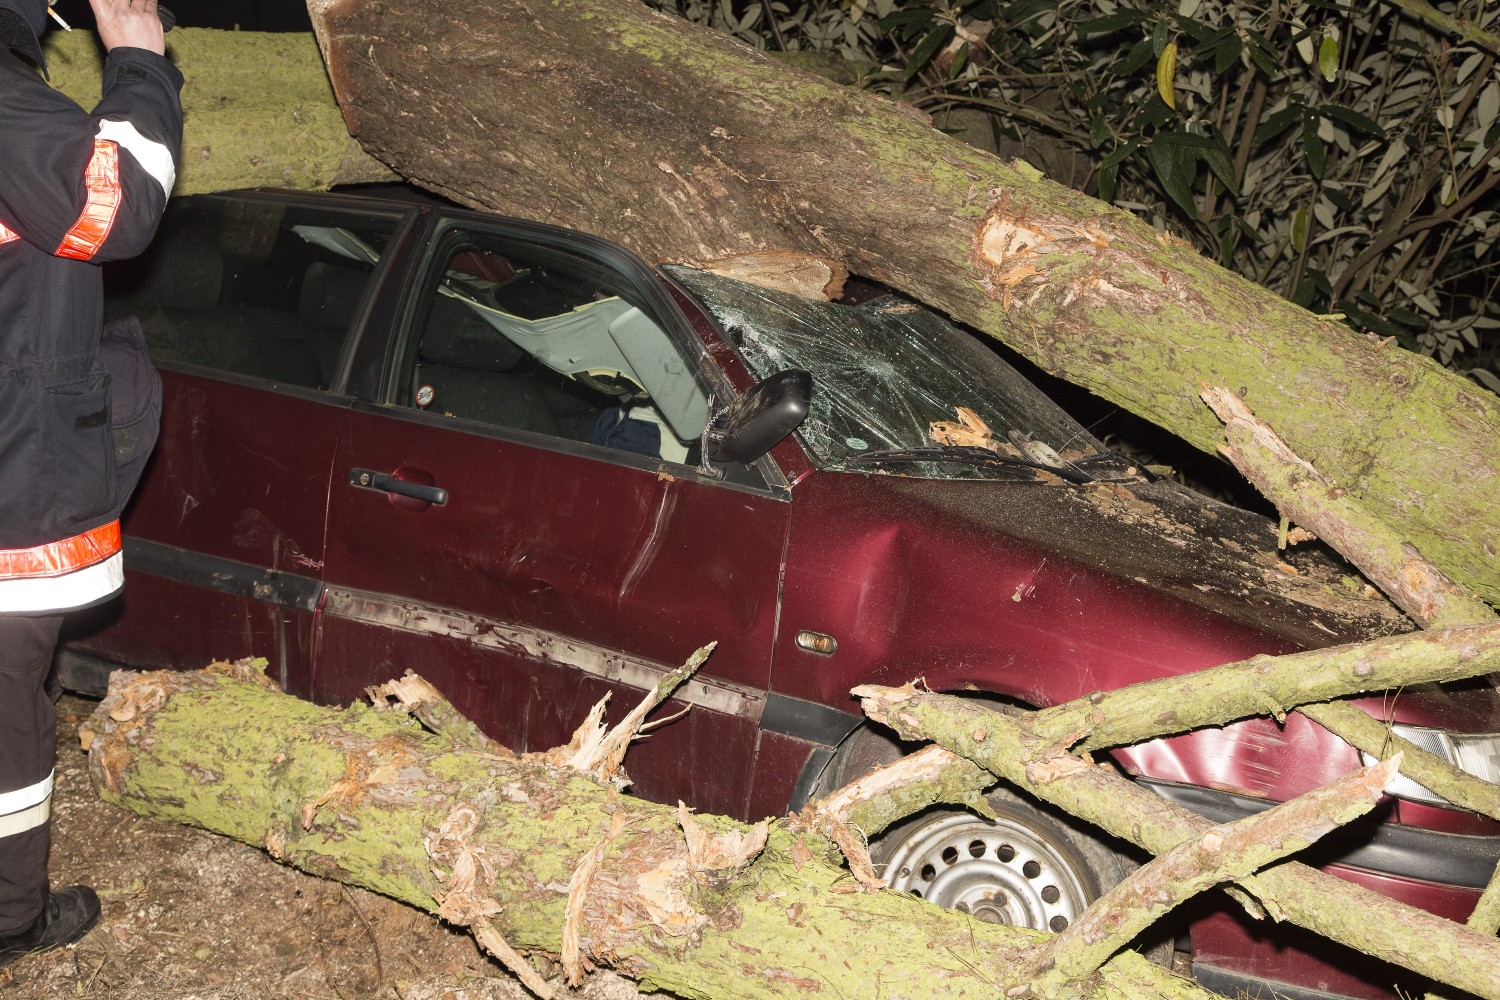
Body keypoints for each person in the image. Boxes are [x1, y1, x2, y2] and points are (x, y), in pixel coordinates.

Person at [0, 0, 182, 966]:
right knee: (5, 718)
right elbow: (114, 207)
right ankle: (9, 918)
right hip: (12, 489)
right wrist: (140, 61)